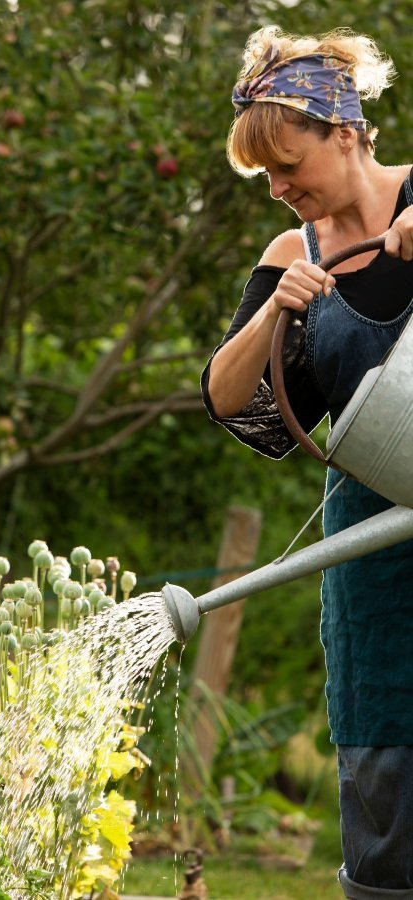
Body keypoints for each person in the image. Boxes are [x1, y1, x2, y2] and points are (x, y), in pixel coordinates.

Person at [202, 25, 413, 899]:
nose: (282, 190)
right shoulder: (295, 254)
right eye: (269, 178)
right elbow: (226, 396)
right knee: (387, 770)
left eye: (290, 166)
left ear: (350, 133)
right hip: (372, 549)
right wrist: (272, 313)